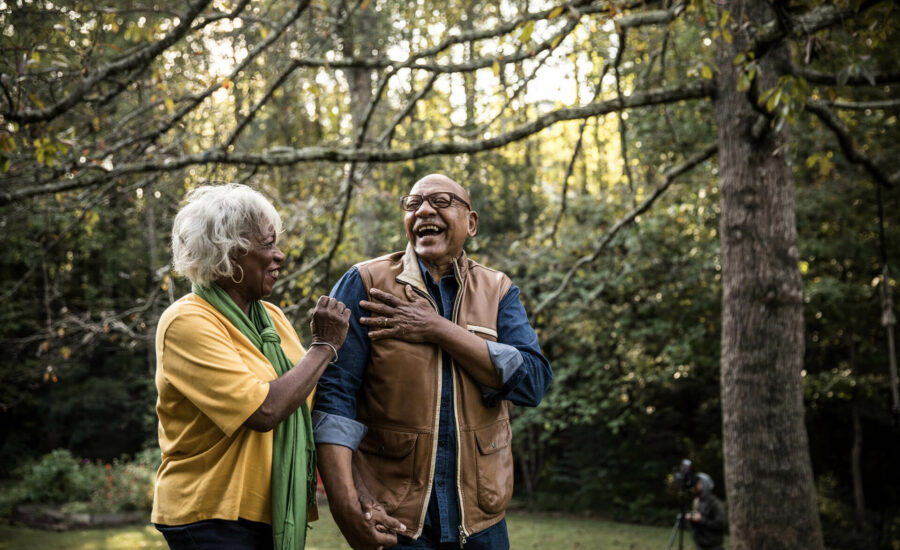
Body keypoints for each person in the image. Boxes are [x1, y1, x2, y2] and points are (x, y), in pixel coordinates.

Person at [313, 173, 553, 550]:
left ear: (470, 223)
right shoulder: (365, 283)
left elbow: (533, 382)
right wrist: (346, 506)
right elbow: (334, 399)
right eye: (413, 204)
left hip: (482, 524)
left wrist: (438, 329)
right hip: (396, 520)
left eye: (441, 201)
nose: (424, 210)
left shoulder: (499, 291)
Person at [152, 183, 350, 550]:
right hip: (211, 515)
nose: (280, 256)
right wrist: (323, 347)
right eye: (267, 244)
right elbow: (264, 409)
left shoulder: (271, 318)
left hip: (267, 510)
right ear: (227, 254)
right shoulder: (187, 321)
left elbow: (308, 395)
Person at [686, 473, 727, 550]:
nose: (696, 485)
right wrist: (692, 519)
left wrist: (701, 519)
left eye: (699, 483)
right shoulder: (697, 501)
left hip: (713, 546)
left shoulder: (715, 503)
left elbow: (721, 524)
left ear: (706, 484)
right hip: (700, 545)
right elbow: (696, 525)